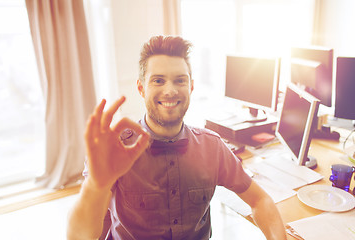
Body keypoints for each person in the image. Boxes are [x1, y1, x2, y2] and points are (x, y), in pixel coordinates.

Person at [67, 35, 287, 240]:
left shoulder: (212, 147)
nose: (170, 91)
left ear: (191, 86)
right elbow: (79, 235)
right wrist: (96, 186)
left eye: (180, 80)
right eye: (158, 81)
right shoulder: (116, 149)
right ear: (141, 88)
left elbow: (260, 200)